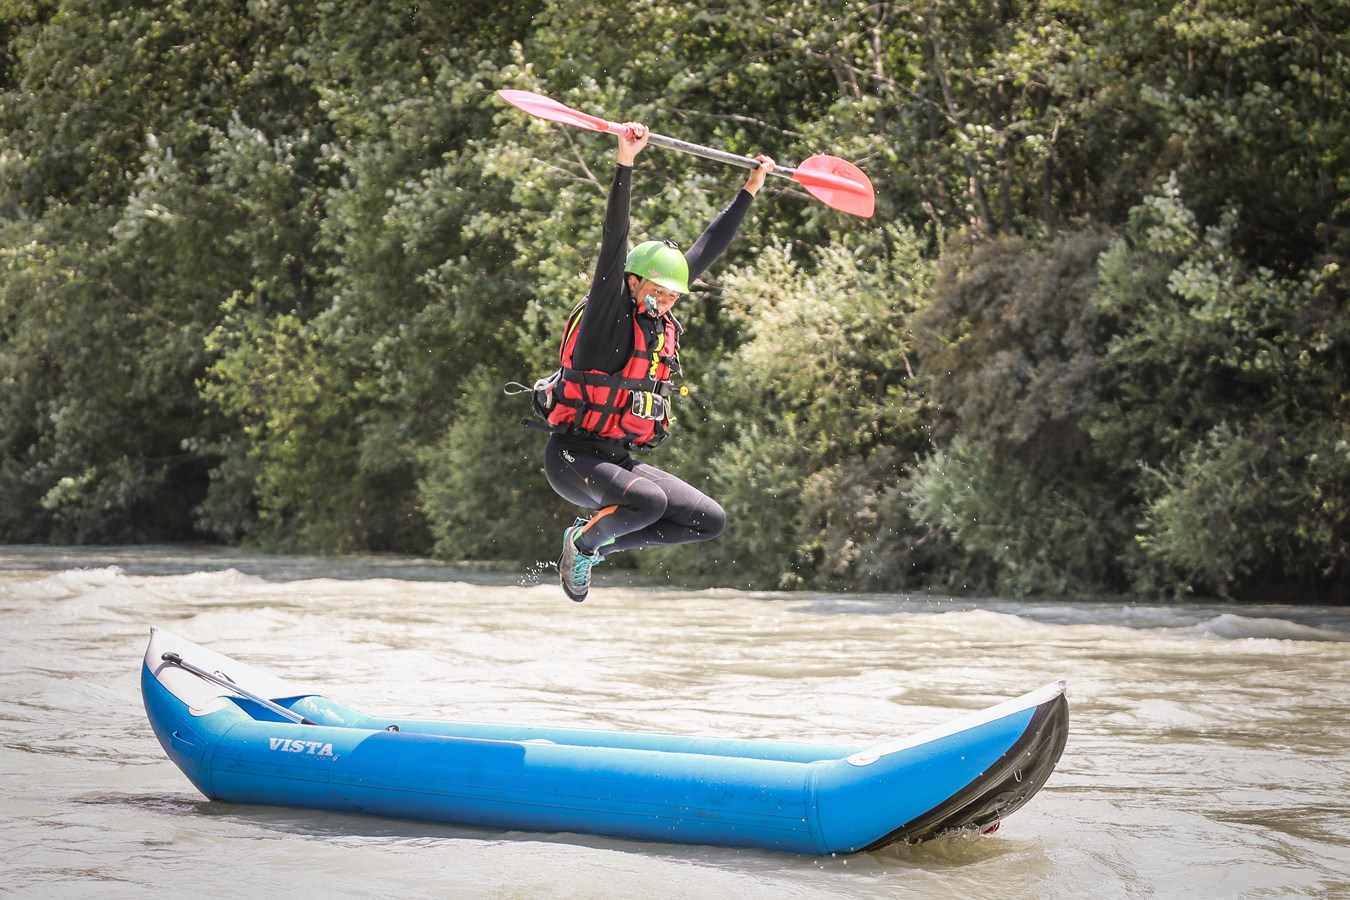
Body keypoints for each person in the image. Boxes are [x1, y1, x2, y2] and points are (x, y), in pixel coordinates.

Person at [538, 121, 774, 601]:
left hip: (616, 460)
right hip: (572, 457)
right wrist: (626, 160)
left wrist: (749, 190)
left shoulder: (658, 316)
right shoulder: (606, 314)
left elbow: (706, 249)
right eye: (658, 292)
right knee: (648, 501)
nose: (666, 302)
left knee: (707, 520)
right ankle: (583, 544)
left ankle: (591, 546)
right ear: (631, 282)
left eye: (673, 295)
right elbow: (614, 237)